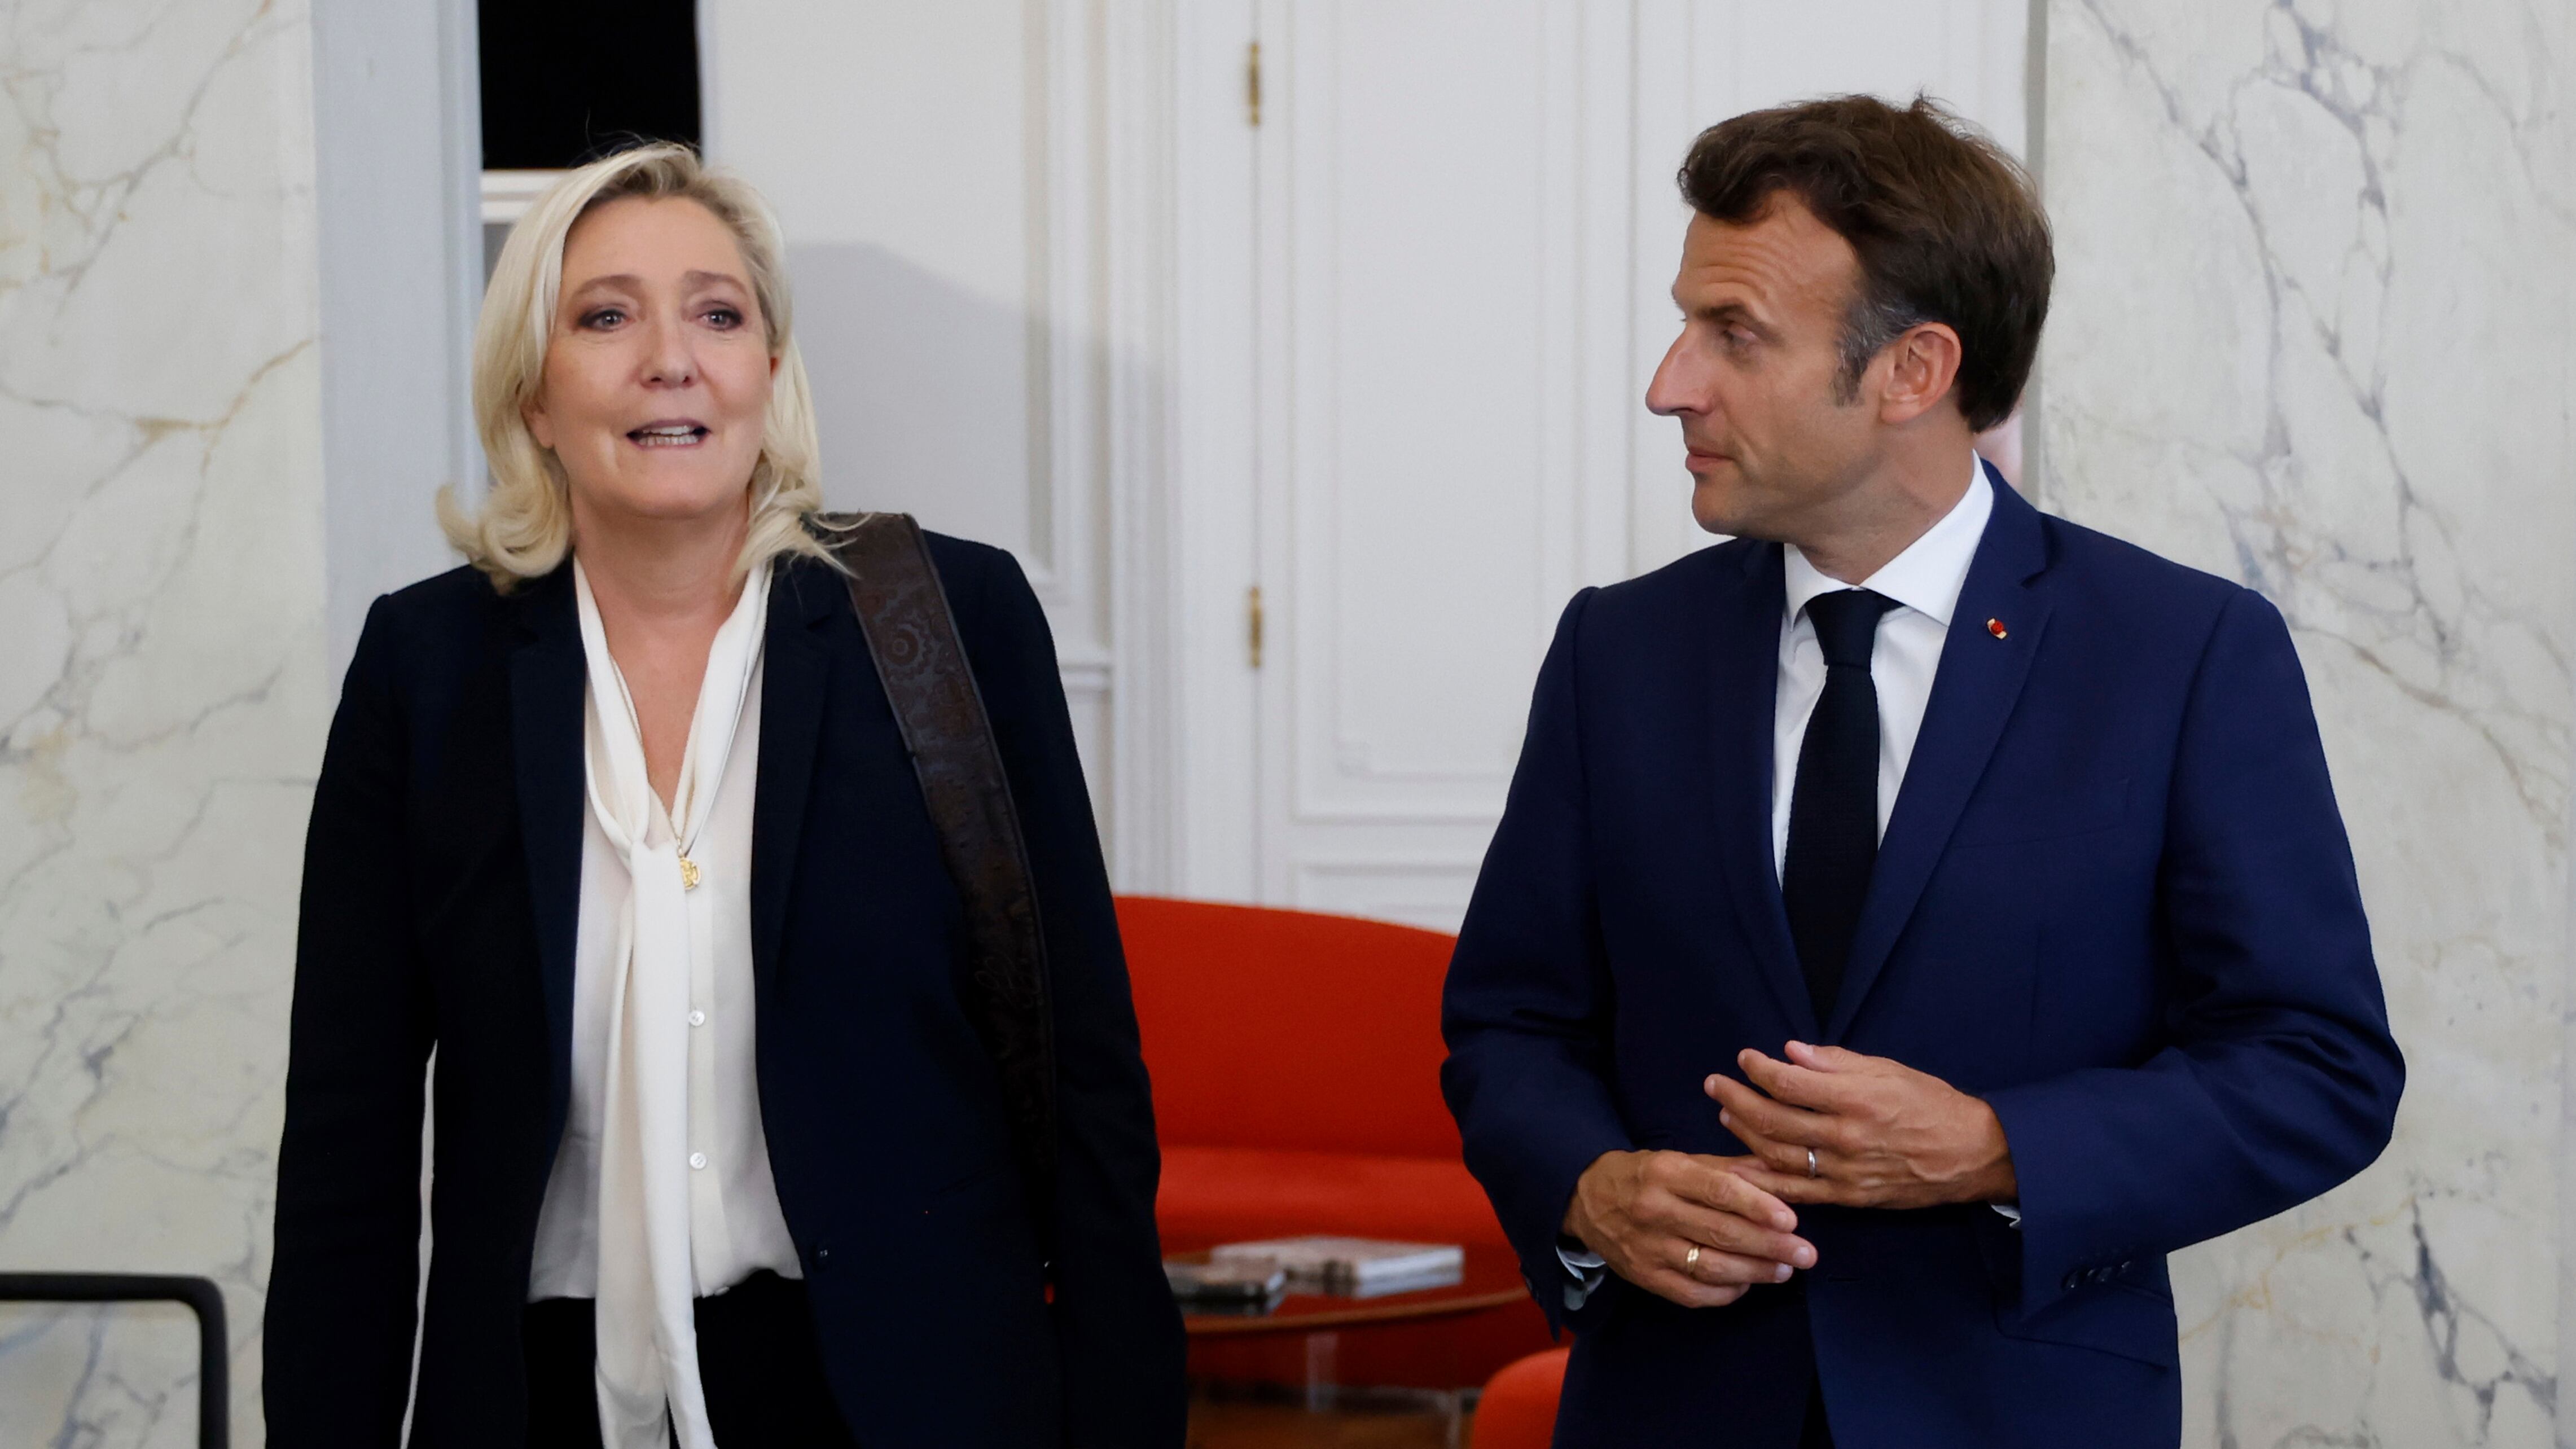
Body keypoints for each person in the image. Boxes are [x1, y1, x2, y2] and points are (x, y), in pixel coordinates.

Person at [1439, 95, 2403, 1448]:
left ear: (1913, 371)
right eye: (1685, 321)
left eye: (1735, 335)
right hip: (1672, 1406)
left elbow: (2319, 1066)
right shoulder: (1620, 650)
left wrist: (1999, 1146)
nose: (1672, 384)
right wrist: (1590, 1186)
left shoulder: (2180, 654)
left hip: (2016, 1405)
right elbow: (1510, 1024)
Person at [265, 143, 1185, 1448]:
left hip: (900, 1396)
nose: (670, 358)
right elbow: (345, 1147)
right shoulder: (429, 672)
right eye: (604, 317)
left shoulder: (950, 626)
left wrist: (1130, 1416)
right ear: (533, 396)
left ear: (766, 369)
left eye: (717, 313)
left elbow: (1092, 1077)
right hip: (543, 1397)